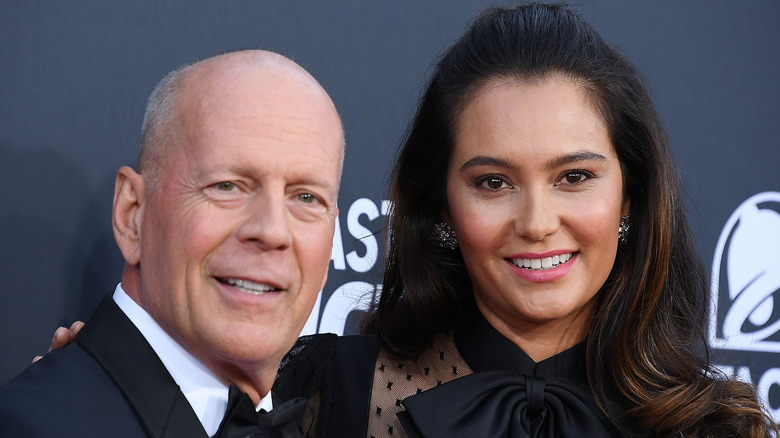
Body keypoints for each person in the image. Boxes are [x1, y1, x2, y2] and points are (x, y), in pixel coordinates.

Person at [273, 3, 776, 437]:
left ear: (630, 199)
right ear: (443, 208)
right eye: (494, 182)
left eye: (574, 177)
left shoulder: (715, 427)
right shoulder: (327, 394)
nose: (536, 223)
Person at [0, 49, 344, 437]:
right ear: (133, 215)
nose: (272, 231)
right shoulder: (30, 426)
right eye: (227, 186)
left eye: (306, 198)